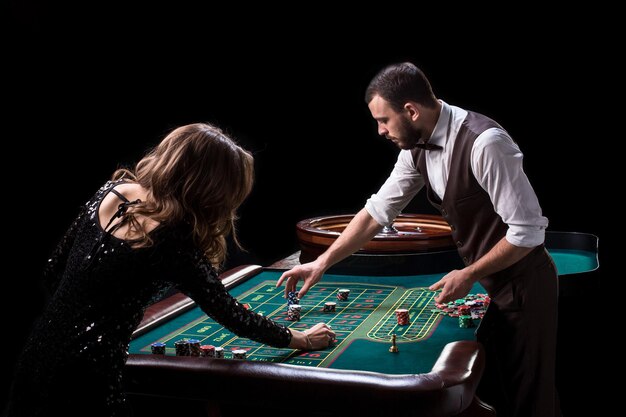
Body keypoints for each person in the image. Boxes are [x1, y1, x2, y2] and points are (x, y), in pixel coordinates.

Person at [277, 63, 559, 417]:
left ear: (410, 110)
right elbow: (376, 213)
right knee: (489, 396)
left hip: (524, 286)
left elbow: (528, 233)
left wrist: (468, 274)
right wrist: (322, 262)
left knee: (527, 402)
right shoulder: (414, 147)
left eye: (384, 120)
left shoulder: (485, 143)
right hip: (490, 286)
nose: (379, 130)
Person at [6, 122, 335, 417]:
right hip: (88, 376)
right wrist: (301, 338)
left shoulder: (111, 191)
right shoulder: (173, 240)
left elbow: (53, 271)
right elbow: (231, 314)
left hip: (36, 355)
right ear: (213, 190)